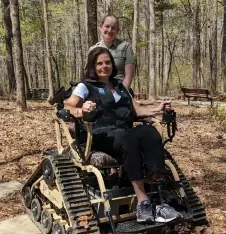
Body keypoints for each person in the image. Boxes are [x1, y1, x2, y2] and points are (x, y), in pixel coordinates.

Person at [64, 47, 182, 224]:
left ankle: (160, 199)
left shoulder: (121, 87)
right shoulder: (85, 86)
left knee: (150, 132)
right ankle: (143, 203)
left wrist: (156, 109)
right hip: (100, 134)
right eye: (99, 63)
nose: (104, 66)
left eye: (108, 62)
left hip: (123, 131)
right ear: (93, 66)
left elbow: (136, 110)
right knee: (129, 140)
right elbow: (67, 106)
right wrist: (81, 109)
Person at [88, 13, 136, 89]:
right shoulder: (92, 50)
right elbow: (89, 75)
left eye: (113, 28)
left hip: (120, 89)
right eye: (107, 26)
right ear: (100, 27)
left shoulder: (125, 47)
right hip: (98, 91)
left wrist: (122, 93)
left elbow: (129, 76)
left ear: (117, 31)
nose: (110, 30)